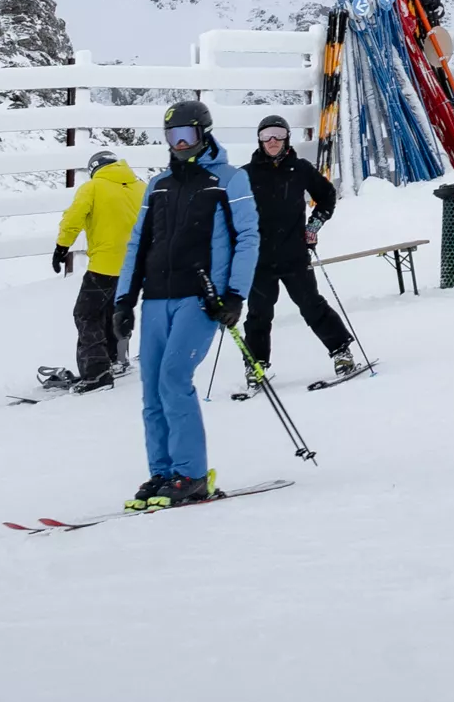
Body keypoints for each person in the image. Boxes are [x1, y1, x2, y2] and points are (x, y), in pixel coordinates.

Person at [115, 99, 259, 510]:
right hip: (156, 300)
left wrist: (235, 294)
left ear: (204, 133)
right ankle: (162, 473)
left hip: (201, 299)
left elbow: (248, 238)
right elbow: (137, 244)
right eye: (172, 137)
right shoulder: (158, 185)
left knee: (174, 377)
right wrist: (124, 300)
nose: (180, 144)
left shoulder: (229, 180)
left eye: (187, 136)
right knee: (152, 389)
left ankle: (191, 475)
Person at [237, 115, 363, 386]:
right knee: (258, 313)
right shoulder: (245, 174)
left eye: (278, 134)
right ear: (259, 139)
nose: (272, 140)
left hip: (294, 254)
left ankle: (342, 352)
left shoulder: (300, 168)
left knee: (311, 305)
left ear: (287, 138)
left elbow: (327, 195)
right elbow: (231, 212)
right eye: (266, 135)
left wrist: (313, 226)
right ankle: (256, 365)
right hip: (259, 260)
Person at [44, 147, 143, 392]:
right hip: (135, 266)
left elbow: (73, 218)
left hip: (105, 265)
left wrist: (61, 247)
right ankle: (116, 359)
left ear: (94, 170)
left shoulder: (94, 187)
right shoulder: (141, 186)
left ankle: (97, 373)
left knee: (86, 314)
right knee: (116, 310)